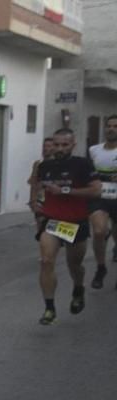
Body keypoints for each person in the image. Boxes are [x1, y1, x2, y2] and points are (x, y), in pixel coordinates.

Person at [35, 128, 102, 325]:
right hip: (52, 221)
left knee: (75, 265)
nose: (59, 148)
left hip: (76, 222)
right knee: (46, 261)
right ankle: (49, 308)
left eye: (64, 145)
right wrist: (38, 206)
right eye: (56, 144)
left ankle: (78, 288)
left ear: (73, 145)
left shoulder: (82, 164)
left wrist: (65, 190)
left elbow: (96, 191)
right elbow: (41, 190)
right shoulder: (45, 166)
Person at [88, 114, 117, 288]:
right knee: (99, 232)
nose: (111, 129)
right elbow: (87, 172)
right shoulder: (94, 150)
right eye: (109, 126)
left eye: (115, 126)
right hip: (99, 197)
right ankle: (101, 267)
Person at [28, 137, 56, 241]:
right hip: (41, 198)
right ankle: (44, 251)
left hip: (54, 199)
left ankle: (54, 243)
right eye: (44, 146)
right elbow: (33, 183)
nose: (45, 149)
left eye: (49, 146)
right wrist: (32, 200)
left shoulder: (58, 164)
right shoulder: (38, 164)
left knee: (51, 226)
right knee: (40, 224)